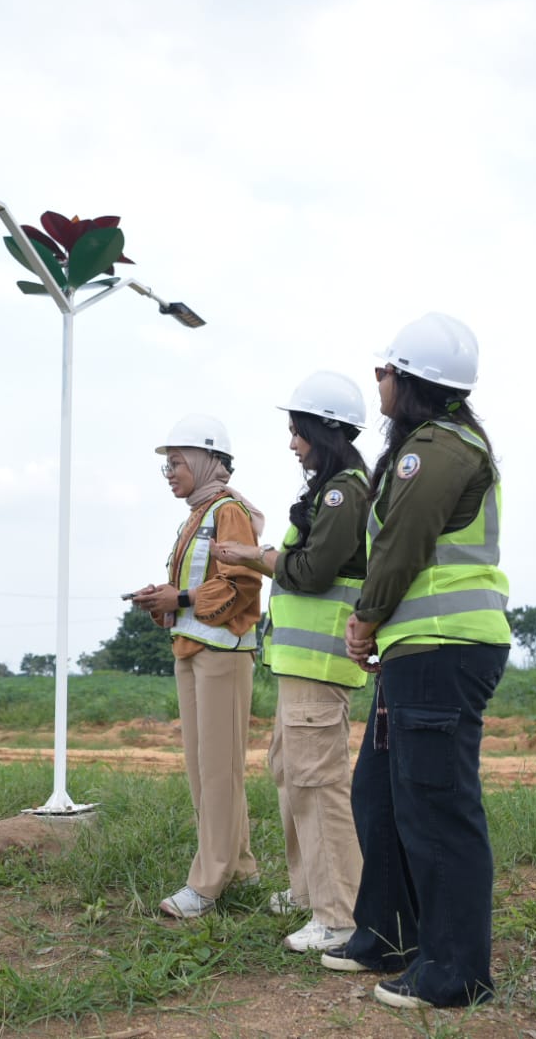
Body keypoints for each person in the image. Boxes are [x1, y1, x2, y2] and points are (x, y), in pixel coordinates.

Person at [321, 313, 511, 1011]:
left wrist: (364, 621)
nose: (377, 378)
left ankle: (455, 972)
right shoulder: (429, 446)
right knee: (380, 796)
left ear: (410, 380)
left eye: (384, 369)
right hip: (419, 652)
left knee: (437, 809)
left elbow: (401, 545)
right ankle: (388, 934)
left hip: (443, 649)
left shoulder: (435, 449)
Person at [213, 371, 371, 955]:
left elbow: (310, 571)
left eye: (297, 432)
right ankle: (310, 891)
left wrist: (255, 555)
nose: (291, 444)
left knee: (317, 782)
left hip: (320, 666)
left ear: (323, 431)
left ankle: (340, 916)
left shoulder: (342, 492)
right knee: (290, 773)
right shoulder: (333, 489)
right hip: (302, 666)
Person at [130, 414, 266, 919]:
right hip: (193, 650)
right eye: (166, 465)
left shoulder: (226, 511)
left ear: (208, 460)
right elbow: (202, 589)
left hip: (222, 656)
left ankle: (207, 884)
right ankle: (241, 868)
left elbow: (242, 585)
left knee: (218, 771)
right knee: (206, 770)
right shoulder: (197, 513)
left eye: (177, 462)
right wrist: (168, 603)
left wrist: (181, 595)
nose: (169, 472)